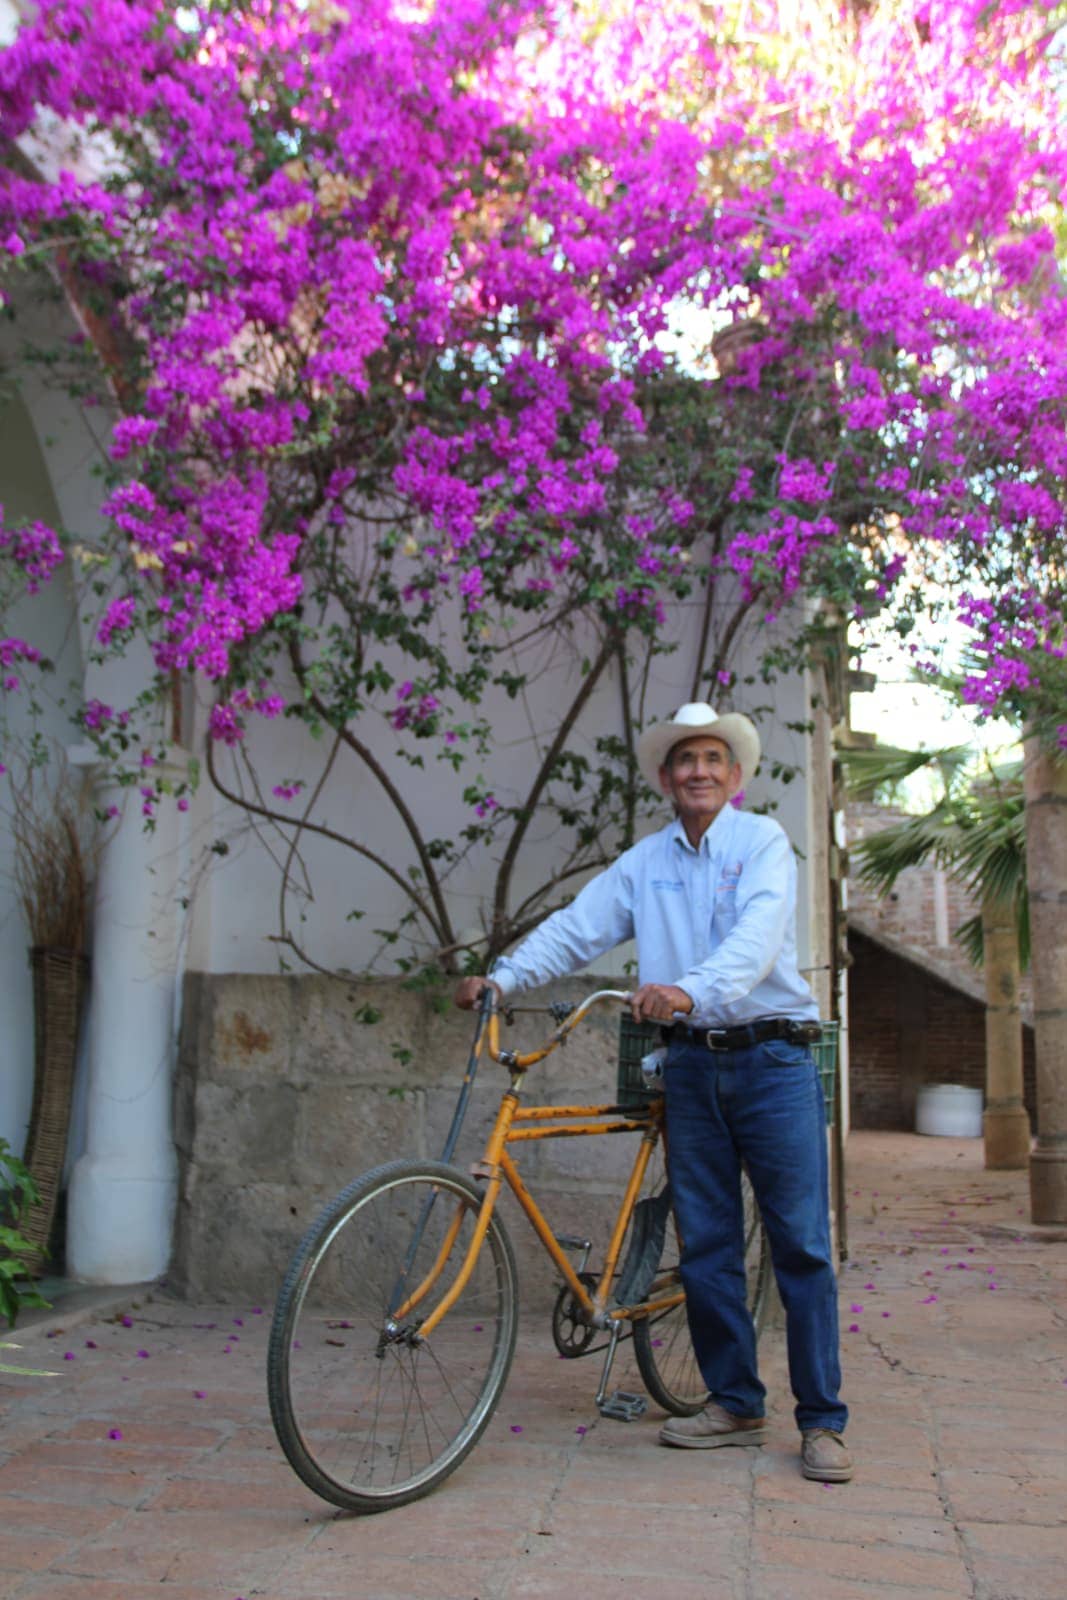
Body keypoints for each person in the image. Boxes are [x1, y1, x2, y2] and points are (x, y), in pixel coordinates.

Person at [454, 701, 851, 1483]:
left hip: (773, 1059)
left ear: (733, 777)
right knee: (704, 1244)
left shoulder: (761, 841)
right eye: (684, 761)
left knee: (799, 1245)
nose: (697, 772)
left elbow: (756, 940)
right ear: (666, 779)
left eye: (712, 760)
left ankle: (822, 1422)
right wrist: (500, 977)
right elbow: (577, 927)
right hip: (691, 1067)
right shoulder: (645, 862)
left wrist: (686, 990)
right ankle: (734, 1402)